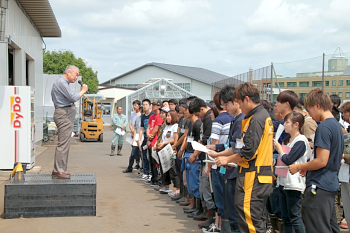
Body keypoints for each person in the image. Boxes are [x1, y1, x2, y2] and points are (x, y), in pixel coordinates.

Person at [214, 82, 274, 233]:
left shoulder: (257, 119)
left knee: (251, 221)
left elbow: (248, 151)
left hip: (255, 177)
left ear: (247, 99)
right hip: (251, 175)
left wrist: (227, 159)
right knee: (249, 219)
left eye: (239, 102)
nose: (239, 106)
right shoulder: (255, 117)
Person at [289, 88, 343, 233]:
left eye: (309, 110)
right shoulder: (337, 126)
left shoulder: (324, 128)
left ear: (317, 105)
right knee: (330, 227)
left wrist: (299, 166)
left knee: (317, 227)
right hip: (330, 183)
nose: (310, 116)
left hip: (319, 186)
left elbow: (321, 161)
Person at [206, 85, 243, 233]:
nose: (224, 107)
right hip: (230, 168)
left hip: (236, 171)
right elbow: (232, 146)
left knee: (233, 212)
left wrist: (220, 155)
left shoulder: (241, 121)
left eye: (226, 104)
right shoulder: (235, 119)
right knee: (229, 208)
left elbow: (238, 149)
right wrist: (218, 150)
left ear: (236, 102)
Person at [274, 112, 312, 233]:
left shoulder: (301, 141)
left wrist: (279, 149)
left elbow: (289, 159)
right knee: (286, 217)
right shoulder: (287, 140)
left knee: (295, 217)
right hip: (283, 182)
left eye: (287, 122)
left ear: (296, 124)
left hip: (293, 184)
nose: (284, 125)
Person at [51, 65, 88, 179]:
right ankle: (58, 170)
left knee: (65, 143)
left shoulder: (63, 83)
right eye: (75, 74)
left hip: (65, 113)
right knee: (63, 143)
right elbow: (73, 97)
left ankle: (61, 169)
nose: (76, 77)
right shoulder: (62, 82)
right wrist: (83, 91)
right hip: (64, 114)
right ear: (68, 72)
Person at [187, 97, 213, 228]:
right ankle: (205, 212)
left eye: (198, 114)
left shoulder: (209, 118)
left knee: (206, 189)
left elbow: (205, 140)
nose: (198, 117)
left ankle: (210, 216)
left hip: (207, 157)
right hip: (203, 157)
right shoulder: (206, 118)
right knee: (203, 188)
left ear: (202, 109)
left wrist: (195, 153)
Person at [157, 110, 180, 194]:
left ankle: (177, 188)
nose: (167, 117)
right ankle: (166, 186)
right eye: (167, 116)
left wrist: (164, 143)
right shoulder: (167, 127)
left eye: (169, 116)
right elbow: (163, 137)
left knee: (173, 169)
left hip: (171, 149)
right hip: (163, 149)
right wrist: (160, 143)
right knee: (164, 168)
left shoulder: (175, 126)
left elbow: (175, 139)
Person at [146, 99, 164, 184]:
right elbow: (148, 127)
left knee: (155, 161)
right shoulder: (151, 116)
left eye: (155, 105)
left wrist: (150, 137)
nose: (153, 106)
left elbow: (156, 128)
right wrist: (148, 135)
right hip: (150, 140)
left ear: (159, 107)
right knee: (150, 160)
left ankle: (156, 179)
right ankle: (153, 178)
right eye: (152, 105)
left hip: (155, 141)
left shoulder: (159, 116)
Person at [123, 101, 142, 173]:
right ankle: (130, 166)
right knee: (133, 152)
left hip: (141, 136)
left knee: (141, 153)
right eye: (133, 105)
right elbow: (132, 124)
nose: (134, 106)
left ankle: (139, 166)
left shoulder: (142, 116)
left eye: (136, 105)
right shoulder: (133, 115)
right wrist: (133, 132)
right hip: (135, 135)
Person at [138, 99, 154, 181]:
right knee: (144, 156)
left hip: (152, 138)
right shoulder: (143, 116)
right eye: (143, 105)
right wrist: (139, 139)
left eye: (146, 104)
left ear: (150, 105)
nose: (145, 106)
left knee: (150, 157)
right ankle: (145, 173)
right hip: (145, 138)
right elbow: (141, 128)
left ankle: (151, 174)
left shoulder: (153, 114)